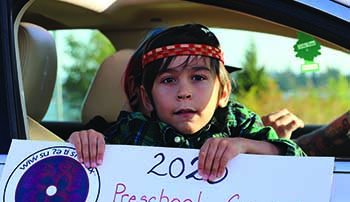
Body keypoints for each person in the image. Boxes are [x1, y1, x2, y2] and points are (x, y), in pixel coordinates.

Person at [69, 23, 305, 181]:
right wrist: (81, 145)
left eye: (199, 78)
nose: (184, 92)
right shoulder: (133, 131)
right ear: (147, 99)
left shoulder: (238, 123)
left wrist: (244, 146)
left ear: (223, 92)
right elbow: (79, 170)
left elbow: (299, 164)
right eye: (169, 80)